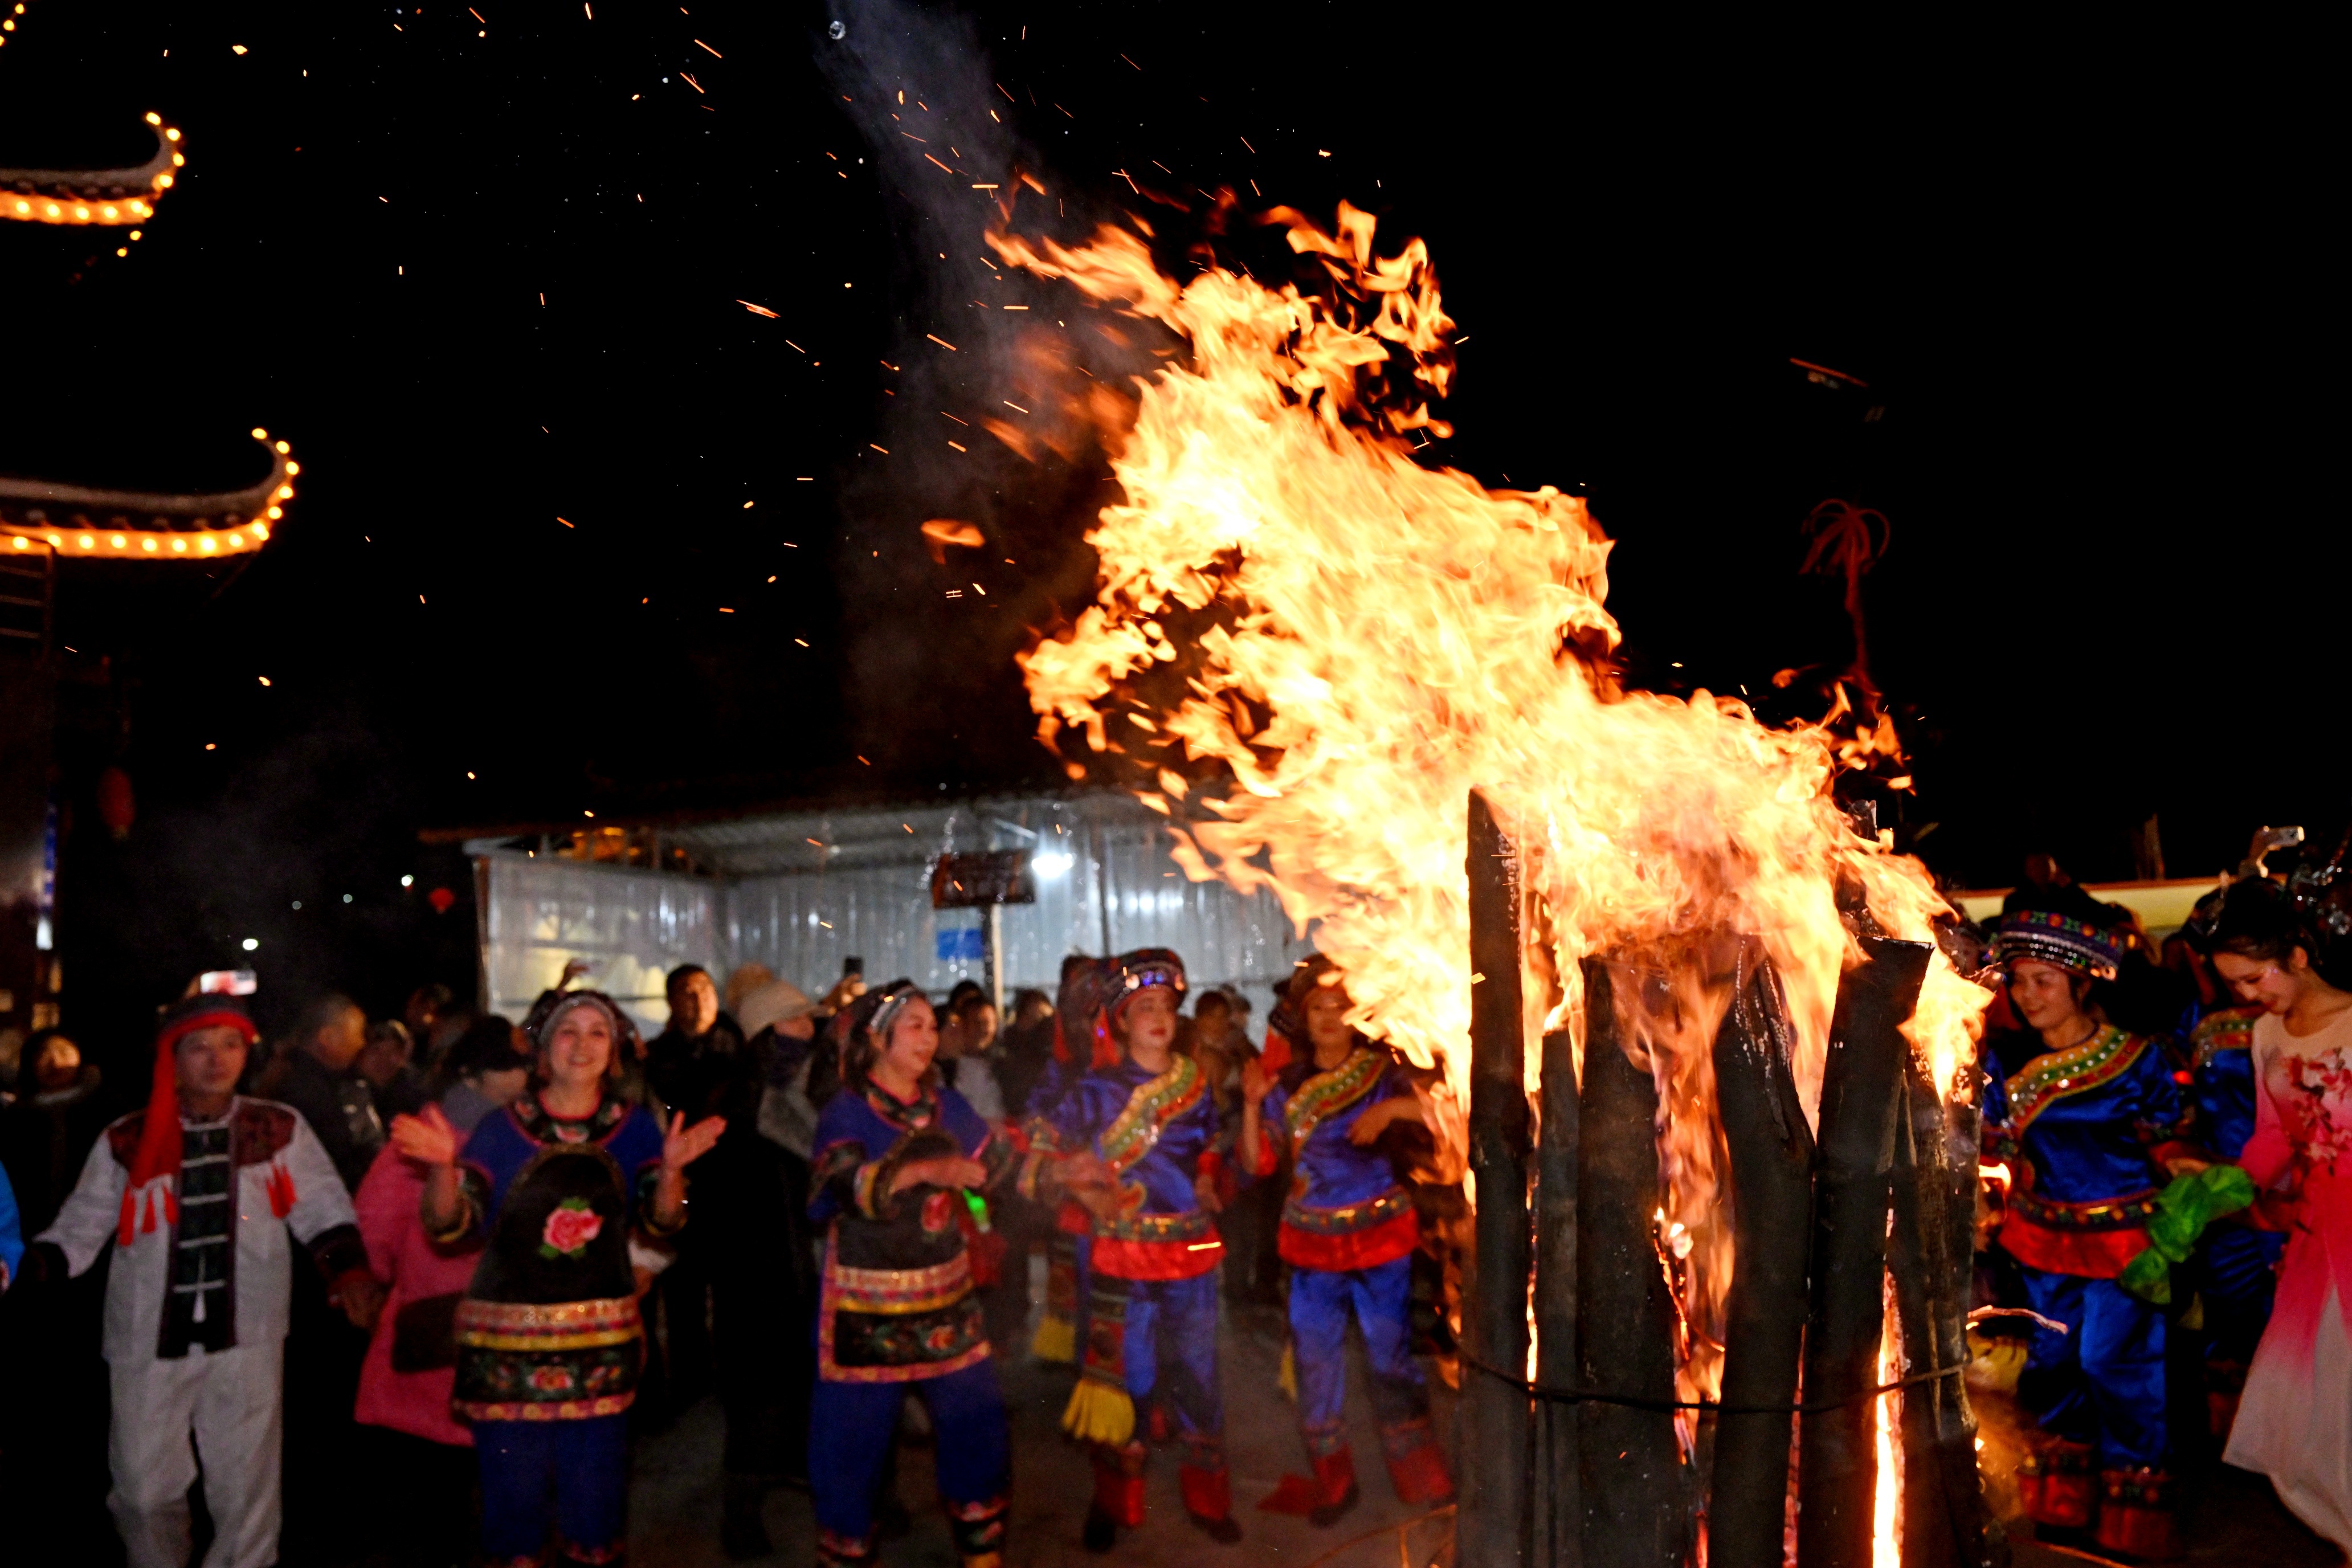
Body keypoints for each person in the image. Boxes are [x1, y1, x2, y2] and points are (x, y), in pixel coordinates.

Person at [24, 990, 381, 1568]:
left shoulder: (278, 1129)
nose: (218, 1060)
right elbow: (81, 1227)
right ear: (172, 1057)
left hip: (249, 1334)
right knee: (141, 1491)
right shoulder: (128, 1138)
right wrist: (26, 1267)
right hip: (147, 1338)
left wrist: (350, 1272)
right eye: (200, 1047)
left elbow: (324, 1210)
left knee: (246, 1494)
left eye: (231, 1045)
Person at [389, 989, 723, 1568]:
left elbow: (662, 1220)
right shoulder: (502, 1127)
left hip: (600, 1345)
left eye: (598, 1032)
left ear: (614, 1050)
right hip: (507, 1349)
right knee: (513, 1508)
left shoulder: (635, 1126)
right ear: (544, 1048)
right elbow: (451, 1226)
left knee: (595, 1508)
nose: (584, 1044)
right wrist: (443, 1167)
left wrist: (672, 1172)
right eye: (569, 1030)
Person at [1981, 910, 2196, 1556]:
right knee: (2053, 1366)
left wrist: (2189, 1169)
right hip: (2043, 1240)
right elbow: (1996, 1150)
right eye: (2017, 981)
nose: (2026, 996)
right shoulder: (2006, 1062)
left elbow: (2167, 1137)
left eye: (2043, 980)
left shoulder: (2137, 1059)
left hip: (2126, 1242)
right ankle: (2065, 1503)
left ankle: (2135, 1520)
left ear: (2083, 984)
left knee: (2115, 1364)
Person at [806, 980, 1014, 1568]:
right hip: (865, 1314)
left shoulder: (948, 1105)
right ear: (877, 1039)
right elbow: (840, 1183)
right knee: (851, 1446)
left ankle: (982, 1555)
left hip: (948, 1304)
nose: (930, 1037)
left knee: (977, 1424)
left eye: (932, 1025)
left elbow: (997, 1164)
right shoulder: (845, 1111)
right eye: (915, 1026)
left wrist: (1056, 1168)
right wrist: (930, 1168)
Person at [1240, 957, 1453, 1522]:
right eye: (1318, 1007)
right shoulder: (1285, 1084)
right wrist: (1248, 1103)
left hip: (1381, 1242)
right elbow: (1257, 1162)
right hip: (1312, 1247)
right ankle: (1335, 1484)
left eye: (1340, 1006)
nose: (1330, 1017)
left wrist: (1392, 1109)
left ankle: (1419, 1477)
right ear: (1302, 1018)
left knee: (1389, 1359)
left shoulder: (1382, 1071)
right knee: (1316, 1364)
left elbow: (1446, 1111)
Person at [1042, 948, 1240, 1550]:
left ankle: (1209, 1498)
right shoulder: (1095, 1089)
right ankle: (1114, 1502)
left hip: (1188, 1252)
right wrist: (1086, 1189)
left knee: (1198, 1375)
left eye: (1167, 1007)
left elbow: (1209, 1145)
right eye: (1143, 1007)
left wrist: (1207, 1176)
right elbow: (1046, 1154)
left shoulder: (1194, 1081)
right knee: (1122, 1380)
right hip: (1120, 1257)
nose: (1158, 1016)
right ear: (1122, 1022)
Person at [349, 1015, 533, 1566]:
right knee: (439, 1496)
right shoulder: (425, 1139)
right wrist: (375, 1282)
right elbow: (376, 1228)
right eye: (513, 1066)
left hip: (505, 1337)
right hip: (438, 1339)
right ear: (475, 1075)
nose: (526, 1075)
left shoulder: (521, 1133)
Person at [2212, 882, 2352, 1549]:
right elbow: (2273, 1137)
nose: (2246, 995)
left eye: (2253, 977)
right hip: (2313, 1241)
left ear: (2298, 954)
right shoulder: (2266, 1032)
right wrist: (2222, 1187)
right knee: (2304, 1410)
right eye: (2233, 984)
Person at [707, 976, 823, 1557]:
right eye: (798, 1021)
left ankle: (796, 1478)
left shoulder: (803, 1094)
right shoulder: (740, 1107)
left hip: (803, 1272)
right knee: (758, 1404)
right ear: (766, 1033)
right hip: (755, 1281)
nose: (810, 1029)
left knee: (800, 1391)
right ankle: (741, 1517)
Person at [641, 961, 745, 1416]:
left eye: (705, 989)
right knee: (682, 1289)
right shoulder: (658, 1056)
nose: (699, 999)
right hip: (681, 1186)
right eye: (687, 992)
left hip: (730, 1185)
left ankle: (733, 1378)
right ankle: (690, 1383)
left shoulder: (737, 1048)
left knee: (733, 1289)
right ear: (670, 1002)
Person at [269, 993, 385, 1193]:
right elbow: (336, 1161)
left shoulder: (331, 1081)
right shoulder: (307, 1092)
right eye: (356, 1034)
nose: (361, 1043)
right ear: (327, 1038)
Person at [358, 1018, 434, 1121]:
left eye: (393, 1051)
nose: (384, 1059)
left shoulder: (410, 1097)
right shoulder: (345, 1091)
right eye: (376, 1050)